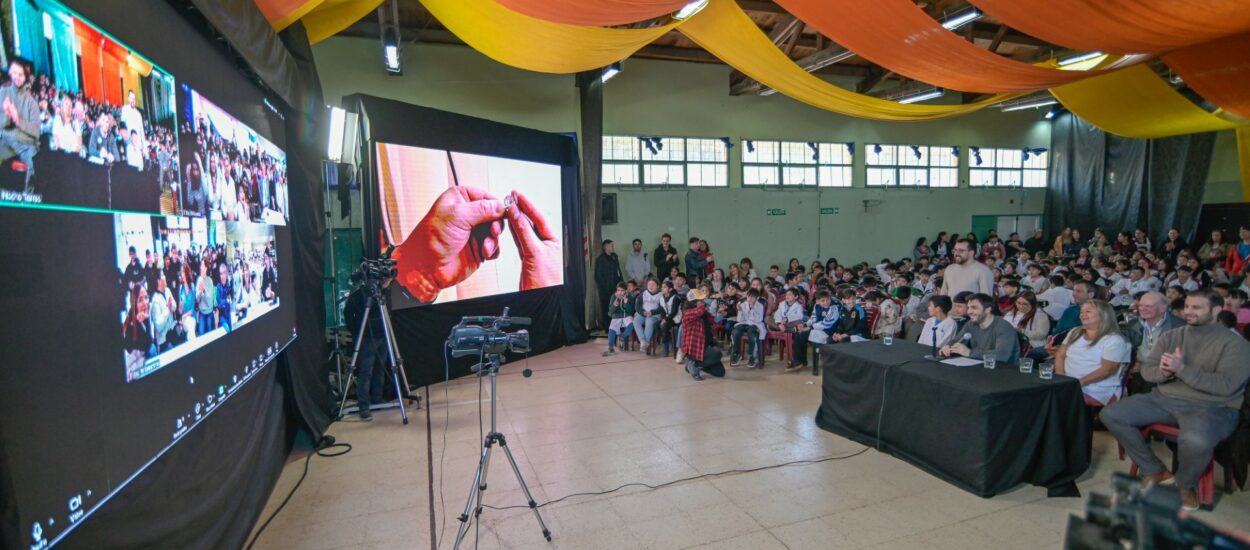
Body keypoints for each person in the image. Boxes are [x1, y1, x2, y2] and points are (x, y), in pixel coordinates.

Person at [1101, 290, 1250, 512]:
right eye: (1187, 306)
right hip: (1165, 399)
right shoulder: (1172, 336)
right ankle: (1154, 469)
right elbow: (1149, 372)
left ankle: (1185, 484)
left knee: (1196, 440)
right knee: (1111, 414)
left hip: (1214, 406)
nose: (1189, 311)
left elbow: (1226, 387)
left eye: (1197, 307)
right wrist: (1165, 372)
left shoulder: (1236, 345)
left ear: (1217, 310)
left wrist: (1182, 370)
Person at [1053, 300, 1131, 406]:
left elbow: (1106, 370)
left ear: (1103, 315)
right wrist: (1061, 377)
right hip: (1069, 383)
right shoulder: (1074, 332)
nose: (1082, 315)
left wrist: (1077, 384)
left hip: (1097, 388)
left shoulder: (1114, 340)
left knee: (1054, 400)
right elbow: (1060, 355)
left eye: (1088, 311)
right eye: (1081, 312)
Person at [342, 275, 395, 421]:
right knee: (366, 372)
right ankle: (363, 405)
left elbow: (388, 309)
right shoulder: (360, 294)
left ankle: (377, 398)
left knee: (380, 368)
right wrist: (357, 332)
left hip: (383, 335)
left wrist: (384, 290)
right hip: (366, 337)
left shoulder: (384, 292)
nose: (388, 282)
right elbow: (347, 313)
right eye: (385, 279)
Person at [940, 293, 1020, 364]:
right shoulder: (971, 324)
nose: (969, 312)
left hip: (1004, 372)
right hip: (980, 368)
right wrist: (947, 347)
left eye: (974, 308)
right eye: (968, 307)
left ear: (988, 310)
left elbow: (1002, 355)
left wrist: (969, 352)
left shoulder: (1004, 327)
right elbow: (956, 340)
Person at [0, 58, 40, 191]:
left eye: (20, 74)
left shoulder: (32, 103)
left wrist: (18, 120)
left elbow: (36, 132)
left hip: (26, 145)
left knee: (33, 164)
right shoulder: (3, 93)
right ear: (10, 73)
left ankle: (28, 203)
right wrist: (8, 115)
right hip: (6, 140)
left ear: (25, 77)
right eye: (14, 73)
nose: (17, 77)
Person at [1004, 291, 1051, 357]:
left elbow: (1042, 334)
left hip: (1031, 345)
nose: (1020, 306)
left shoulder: (1040, 315)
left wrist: (1022, 331)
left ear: (1032, 304)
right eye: (1018, 303)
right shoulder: (1011, 313)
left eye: (1025, 304)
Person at [122, 285, 153, 380]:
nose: (145, 303)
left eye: (146, 298)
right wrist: (143, 324)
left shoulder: (146, 314)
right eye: (140, 300)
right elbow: (147, 345)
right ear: (134, 304)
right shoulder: (131, 326)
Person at [730, 288, 766, 368]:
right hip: (745, 323)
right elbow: (740, 320)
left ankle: (753, 356)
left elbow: (759, 319)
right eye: (749, 297)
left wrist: (753, 308)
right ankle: (736, 353)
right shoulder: (743, 304)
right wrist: (740, 311)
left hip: (756, 324)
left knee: (752, 333)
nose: (750, 299)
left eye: (753, 297)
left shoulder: (759, 306)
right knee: (736, 331)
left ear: (757, 298)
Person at [632, 278, 664, 353]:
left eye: (653, 284)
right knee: (636, 321)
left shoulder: (661, 295)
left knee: (649, 322)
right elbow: (637, 305)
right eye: (649, 284)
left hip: (654, 315)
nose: (651, 286)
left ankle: (645, 343)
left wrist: (652, 312)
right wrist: (643, 312)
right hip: (643, 313)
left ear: (658, 286)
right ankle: (643, 341)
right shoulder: (643, 293)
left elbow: (662, 308)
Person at [603, 282, 635, 356]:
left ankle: (623, 337)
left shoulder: (629, 297)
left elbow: (631, 311)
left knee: (631, 324)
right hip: (616, 316)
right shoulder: (613, 296)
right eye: (618, 290)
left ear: (626, 290)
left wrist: (626, 303)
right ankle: (611, 347)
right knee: (612, 329)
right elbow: (610, 312)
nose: (620, 293)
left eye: (622, 290)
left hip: (627, 315)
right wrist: (614, 305)